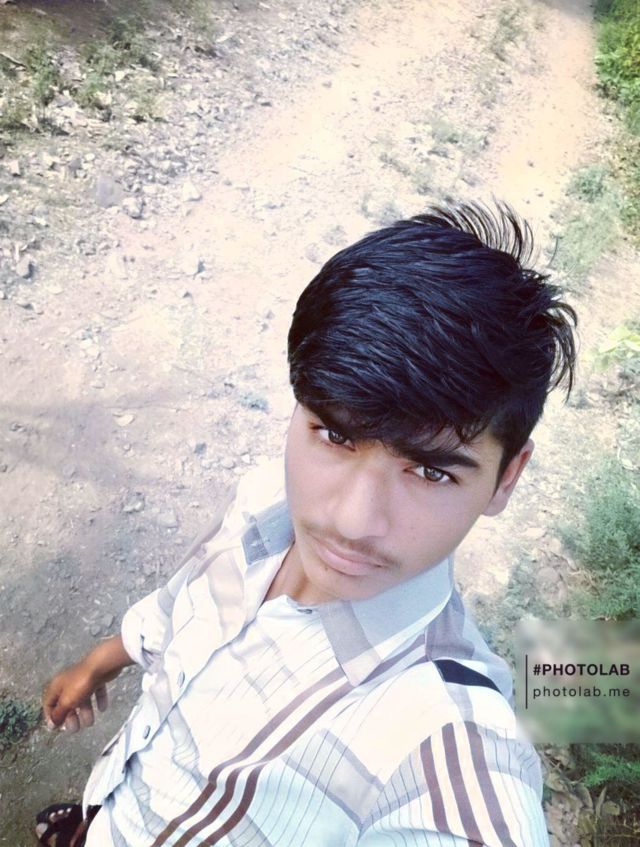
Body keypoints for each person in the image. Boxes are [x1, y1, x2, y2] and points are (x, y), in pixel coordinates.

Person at [36, 201, 577, 846]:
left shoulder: (451, 747)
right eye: (336, 435)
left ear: (506, 478)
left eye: (431, 471)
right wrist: (103, 661)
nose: (351, 520)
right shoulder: (265, 498)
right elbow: (183, 605)